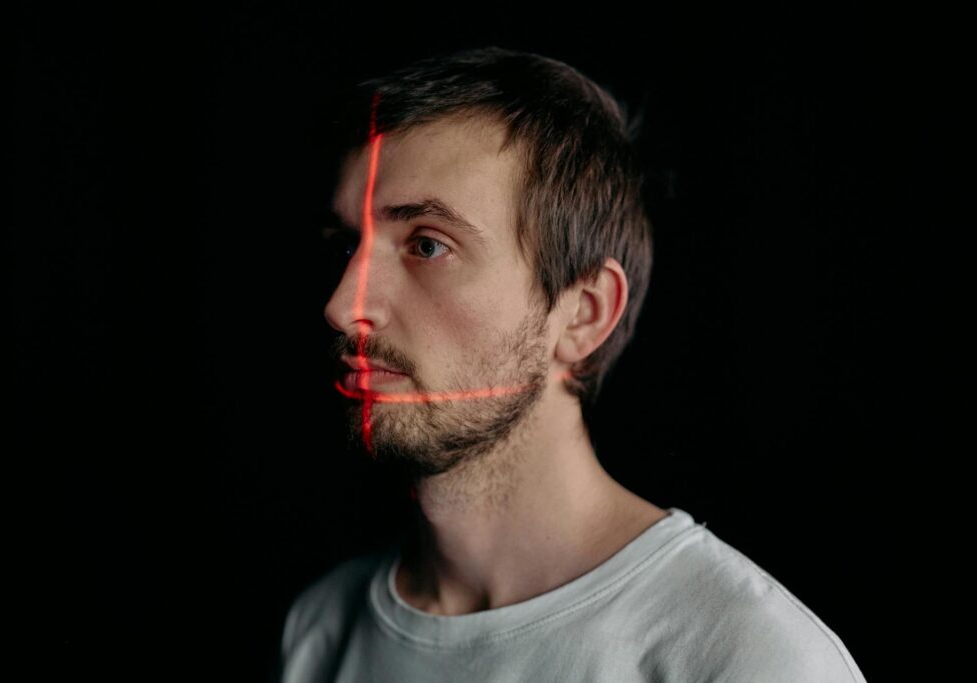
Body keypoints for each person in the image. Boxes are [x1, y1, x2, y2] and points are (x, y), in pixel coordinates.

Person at [279, 46, 866, 682]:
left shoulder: (748, 658)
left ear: (584, 314)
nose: (342, 307)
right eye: (346, 246)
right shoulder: (320, 627)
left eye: (427, 245)